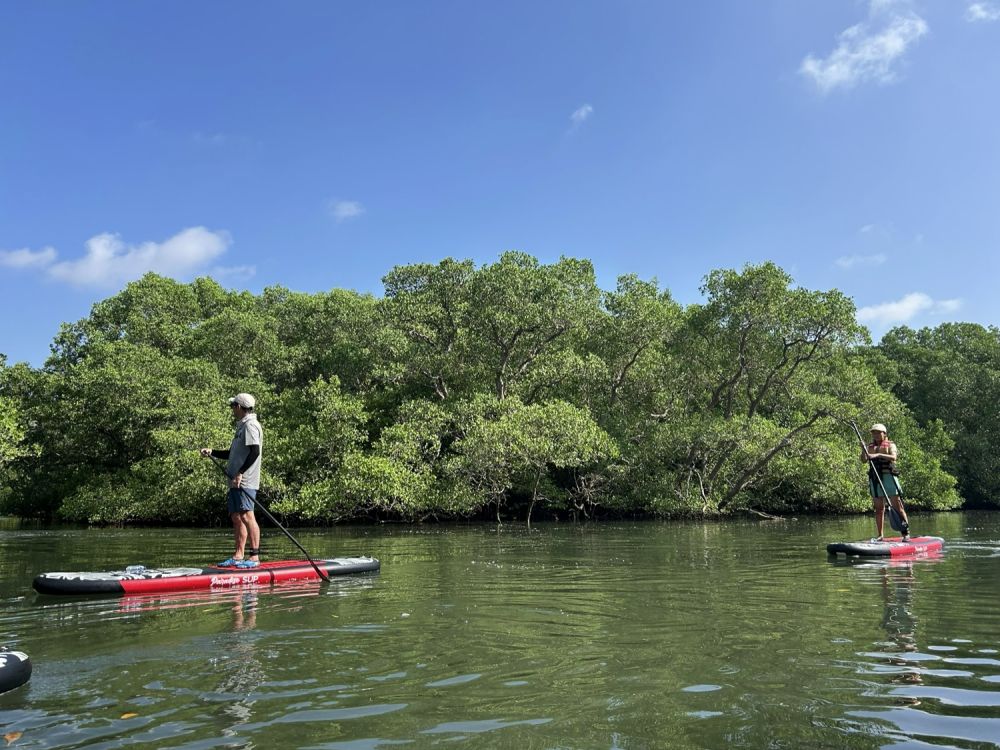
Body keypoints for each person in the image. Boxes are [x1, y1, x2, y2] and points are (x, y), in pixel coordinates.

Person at [200, 393, 264, 568]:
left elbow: (255, 452)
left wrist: (241, 473)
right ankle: (238, 556)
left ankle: (254, 557)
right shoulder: (241, 426)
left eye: (233, 406)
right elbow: (231, 454)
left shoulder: (251, 425)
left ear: (239, 407)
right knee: (236, 516)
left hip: (245, 480)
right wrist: (212, 452)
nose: (232, 409)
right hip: (235, 480)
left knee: (247, 515)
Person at [861, 422, 910, 542]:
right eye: (874, 433)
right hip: (875, 479)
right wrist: (863, 449)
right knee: (879, 509)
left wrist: (878, 455)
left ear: (884, 433)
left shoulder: (891, 445)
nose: (876, 435)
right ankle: (880, 535)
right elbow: (863, 460)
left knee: (897, 507)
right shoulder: (870, 446)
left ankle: (905, 533)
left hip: (889, 478)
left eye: (878, 433)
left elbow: (894, 457)